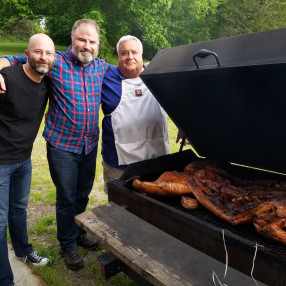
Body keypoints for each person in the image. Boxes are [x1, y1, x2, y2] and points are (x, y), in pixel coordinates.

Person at [0, 19, 112, 271]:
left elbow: (130, 70)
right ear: (72, 39)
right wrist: (2, 62)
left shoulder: (102, 67)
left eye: (92, 41)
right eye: (81, 39)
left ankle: (78, 231)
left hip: (89, 144)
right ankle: (68, 245)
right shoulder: (55, 62)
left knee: (82, 194)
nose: (86, 45)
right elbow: (22, 58)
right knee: (67, 197)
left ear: (97, 45)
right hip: (62, 145)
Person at [0, 33, 55, 286]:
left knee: (19, 210)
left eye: (48, 53)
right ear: (26, 53)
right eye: (38, 52)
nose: (43, 57)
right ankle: (4, 278)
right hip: (0, 162)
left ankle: (23, 251)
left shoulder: (48, 81)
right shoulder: (7, 78)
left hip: (24, 159)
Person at [101, 35, 169, 192]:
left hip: (156, 159)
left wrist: (183, 125)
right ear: (118, 56)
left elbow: (180, 100)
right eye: (124, 53)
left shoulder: (159, 76)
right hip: (119, 164)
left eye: (134, 52)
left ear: (141, 55)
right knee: (118, 207)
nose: (129, 57)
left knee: (155, 204)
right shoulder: (106, 78)